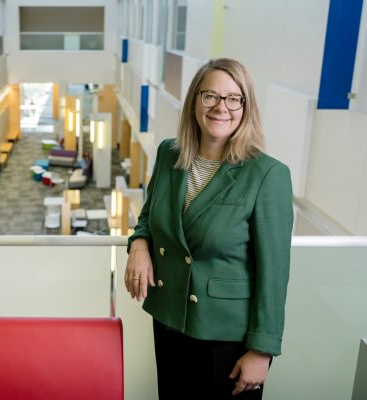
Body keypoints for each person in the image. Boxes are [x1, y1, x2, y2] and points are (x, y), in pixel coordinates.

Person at [124, 58, 293, 399]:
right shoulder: (169, 154)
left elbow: (274, 274)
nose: (221, 107)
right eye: (210, 96)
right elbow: (148, 215)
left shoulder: (267, 174)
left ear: (246, 106)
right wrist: (139, 244)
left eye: (234, 98)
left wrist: (262, 350)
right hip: (170, 321)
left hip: (228, 339)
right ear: (194, 102)